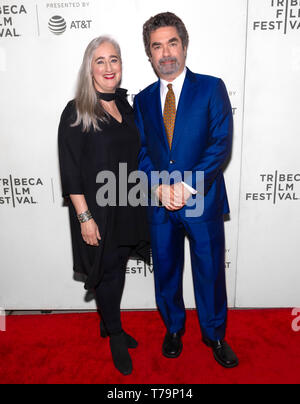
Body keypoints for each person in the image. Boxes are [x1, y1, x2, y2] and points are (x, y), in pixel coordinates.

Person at [134, 12, 239, 368]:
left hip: (202, 199)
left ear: (184, 45)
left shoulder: (212, 87)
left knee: (209, 269)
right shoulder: (143, 100)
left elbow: (220, 144)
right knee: (165, 268)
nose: (165, 53)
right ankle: (174, 328)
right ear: (149, 54)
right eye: (156, 46)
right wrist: (161, 188)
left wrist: (187, 186)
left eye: (172, 43)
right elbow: (141, 151)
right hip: (160, 202)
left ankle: (215, 334)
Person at [58, 36, 150, 376]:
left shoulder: (125, 107)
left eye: (115, 59)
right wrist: (84, 217)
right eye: (100, 61)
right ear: (89, 68)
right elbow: (69, 168)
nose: (109, 67)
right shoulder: (77, 110)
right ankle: (114, 333)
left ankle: (108, 321)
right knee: (106, 271)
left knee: (118, 268)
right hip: (96, 209)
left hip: (126, 202)